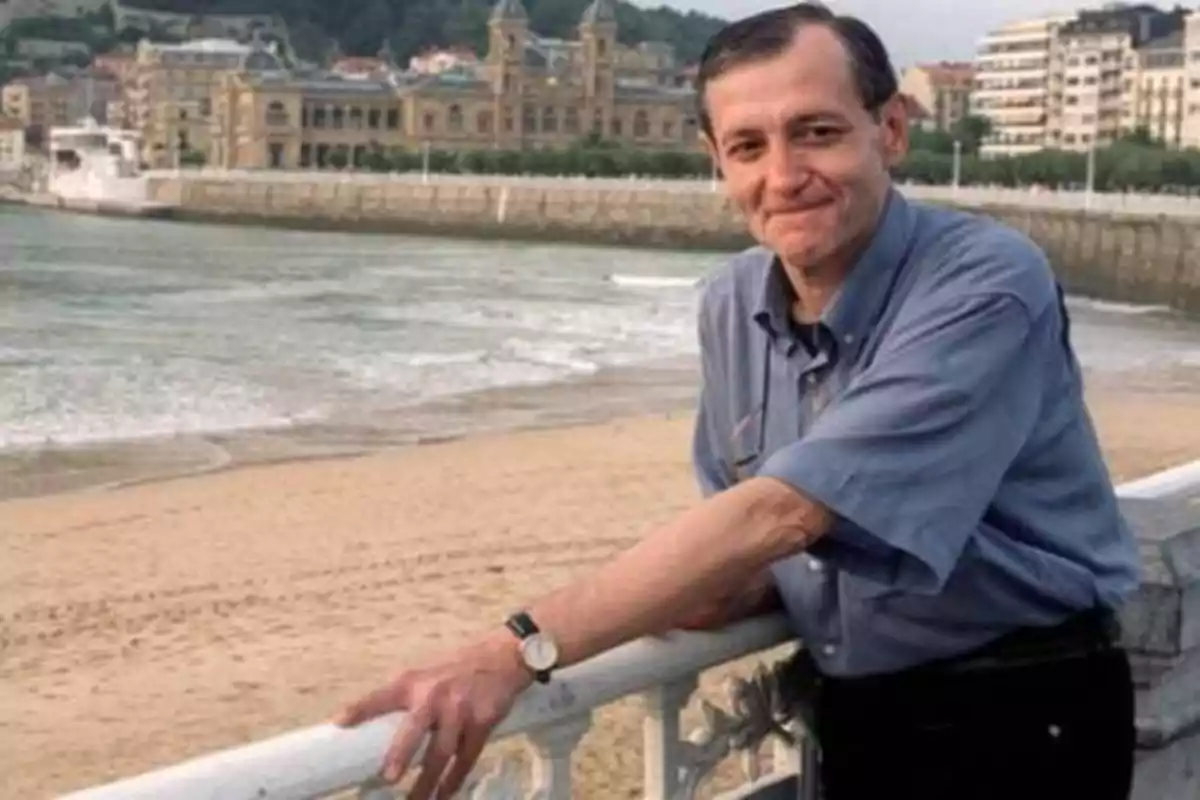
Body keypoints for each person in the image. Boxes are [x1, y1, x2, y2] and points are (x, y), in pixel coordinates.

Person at [334, 5, 1141, 799]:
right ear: (715, 161)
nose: (784, 176)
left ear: (889, 130)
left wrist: (517, 648)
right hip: (852, 710)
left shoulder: (985, 282)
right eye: (748, 146)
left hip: (1024, 708)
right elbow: (761, 539)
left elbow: (783, 513)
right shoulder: (731, 303)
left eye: (817, 132)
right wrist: (734, 589)